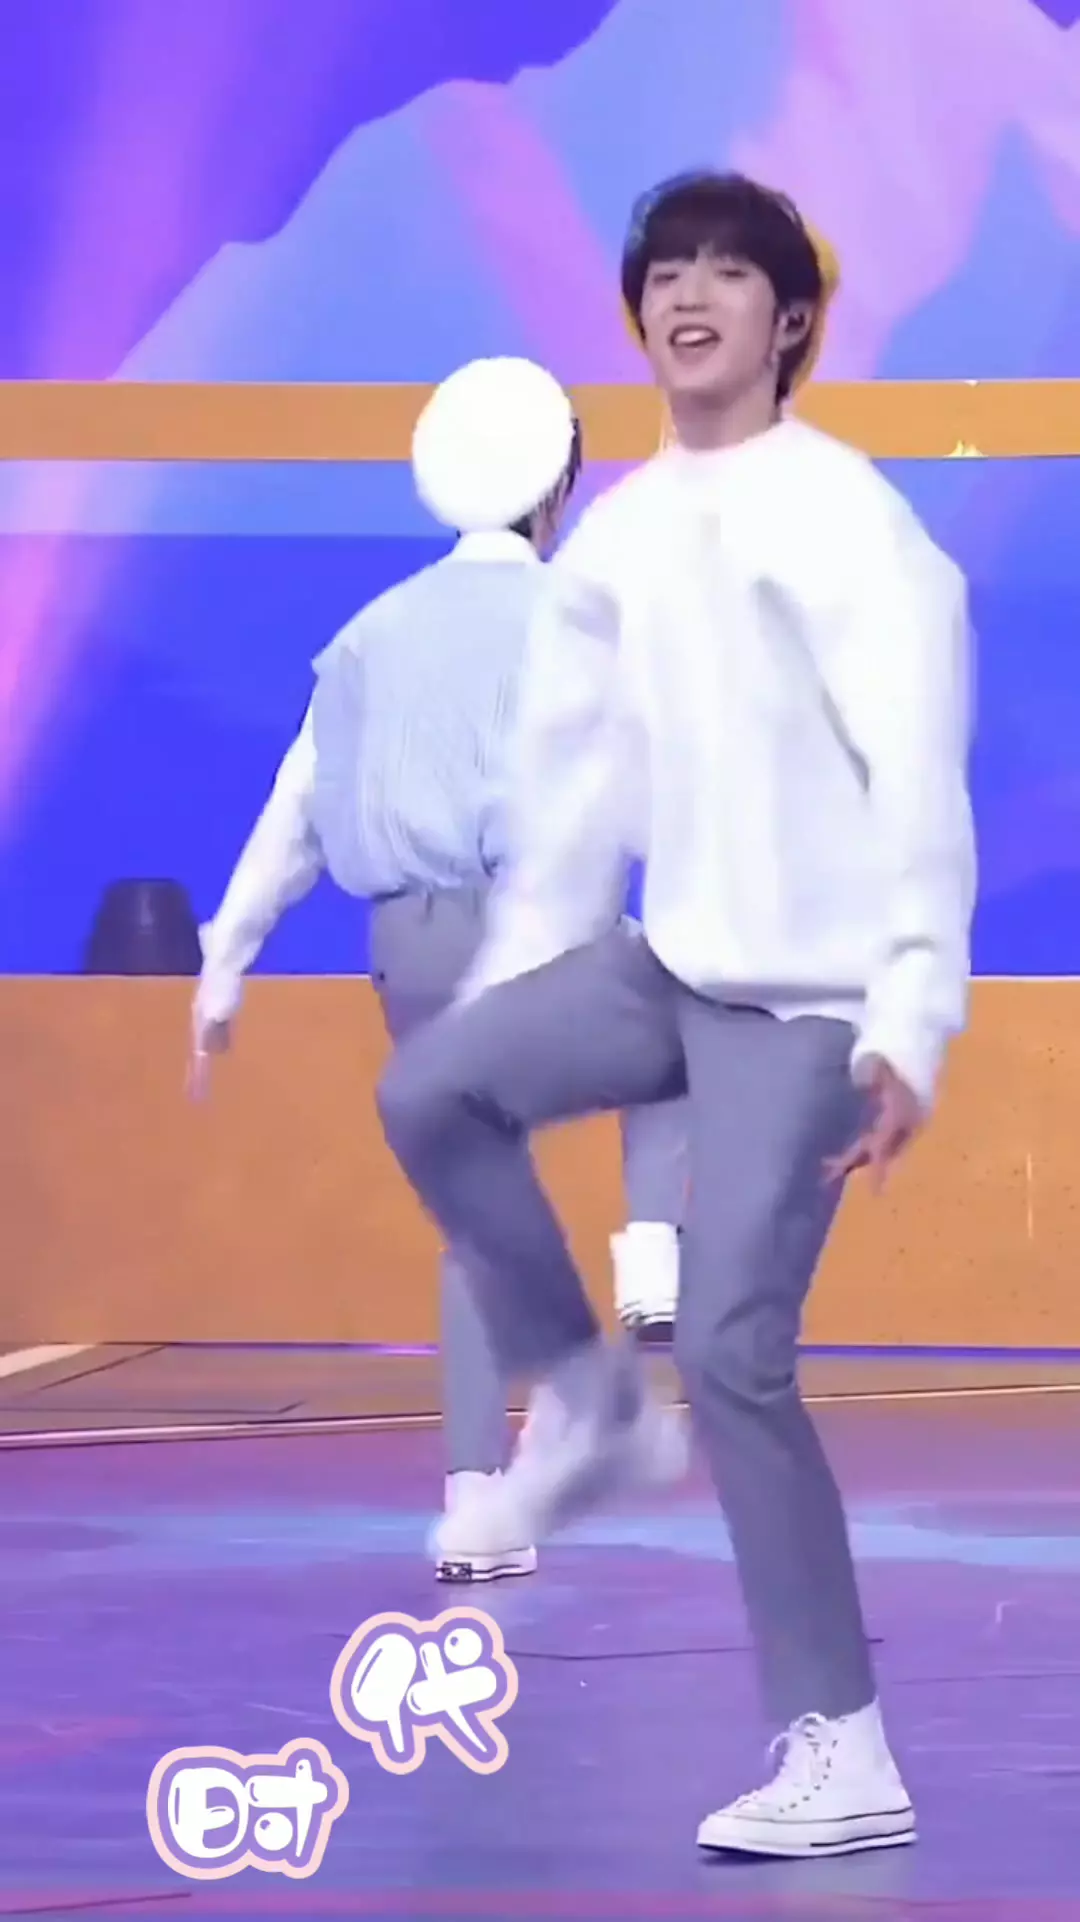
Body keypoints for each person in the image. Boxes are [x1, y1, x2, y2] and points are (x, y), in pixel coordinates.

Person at [376, 174, 976, 1856]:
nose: (690, 294)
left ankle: (845, 1748)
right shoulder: (624, 537)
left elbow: (917, 783)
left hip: (814, 997)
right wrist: (518, 982)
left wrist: (911, 1018)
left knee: (731, 1352)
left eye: (729, 271)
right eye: (666, 273)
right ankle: (585, 1400)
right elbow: (574, 801)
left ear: (792, 322)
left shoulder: (856, 526)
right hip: (676, 960)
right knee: (433, 1093)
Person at [188, 354, 687, 1583]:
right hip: (537, 933)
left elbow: (296, 810)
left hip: (405, 950)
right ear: (559, 483)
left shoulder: (368, 637)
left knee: (475, 1197)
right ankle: (652, 1258)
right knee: (689, 1019)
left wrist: (225, 961)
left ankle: (478, 1495)